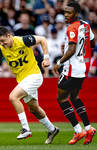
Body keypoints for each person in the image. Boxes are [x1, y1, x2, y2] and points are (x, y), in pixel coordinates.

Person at [0, 26, 59, 144]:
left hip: (34, 75)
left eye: (3, 40)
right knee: (34, 109)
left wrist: (46, 58)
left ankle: (26, 128)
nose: (1, 43)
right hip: (23, 80)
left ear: (9, 36)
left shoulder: (23, 40)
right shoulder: (0, 48)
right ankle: (52, 129)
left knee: (13, 97)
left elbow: (42, 39)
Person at [53, 2, 96, 145]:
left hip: (71, 69)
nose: (66, 15)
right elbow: (93, 44)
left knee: (62, 99)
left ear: (76, 14)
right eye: (65, 12)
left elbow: (71, 51)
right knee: (74, 96)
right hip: (83, 68)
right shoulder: (86, 25)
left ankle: (78, 131)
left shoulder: (72, 28)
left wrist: (59, 62)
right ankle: (88, 128)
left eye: (69, 12)